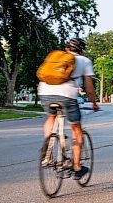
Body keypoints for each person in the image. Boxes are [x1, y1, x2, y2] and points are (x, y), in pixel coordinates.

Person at [38, 37, 100, 180]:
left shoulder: (57, 57)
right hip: (67, 95)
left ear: (67, 49)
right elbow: (89, 88)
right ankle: (77, 167)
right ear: (82, 50)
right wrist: (94, 103)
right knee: (76, 129)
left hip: (45, 91)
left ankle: (48, 147)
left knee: (51, 117)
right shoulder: (85, 61)